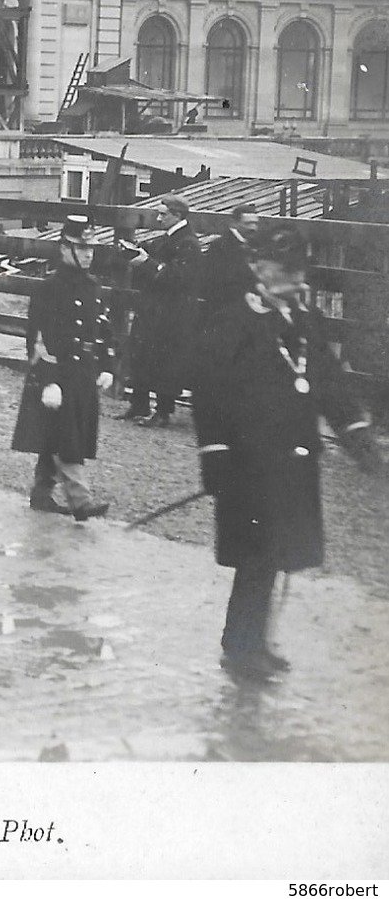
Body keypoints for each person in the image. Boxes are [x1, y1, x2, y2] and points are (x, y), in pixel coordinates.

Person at [193, 227, 382, 681]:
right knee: (256, 559)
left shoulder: (304, 321)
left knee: (278, 554)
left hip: (294, 462)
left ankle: (256, 641)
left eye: (298, 273)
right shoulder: (232, 320)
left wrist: (360, 441)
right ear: (258, 269)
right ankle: (240, 648)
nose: (294, 281)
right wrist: (215, 456)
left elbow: (330, 383)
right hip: (248, 464)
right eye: (284, 271)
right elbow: (209, 393)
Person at [9, 214, 116, 520]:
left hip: (83, 373)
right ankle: (81, 502)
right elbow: (38, 339)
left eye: (91, 249)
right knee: (67, 437)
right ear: (64, 248)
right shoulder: (49, 288)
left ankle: (42, 491)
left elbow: (103, 329)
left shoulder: (92, 286)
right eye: (81, 248)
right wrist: (49, 381)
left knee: (64, 434)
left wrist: (106, 365)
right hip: (58, 372)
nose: (88, 254)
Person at [121, 193, 200, 427]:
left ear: (177, 216)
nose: (158, 218)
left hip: (173, 314)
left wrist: (146, 262)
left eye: (163, 214)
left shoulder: (189, 244)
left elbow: (177, 278)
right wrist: (133, 251)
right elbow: (153, 251)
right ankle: (139, 404)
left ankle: (163, 411)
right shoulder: (169, 238)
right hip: (155, 309)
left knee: (166, 361)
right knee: (141, 353)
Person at [199, 202, 260, 316]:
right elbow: (216, 280)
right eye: (248, 223)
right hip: (226, 308)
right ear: (234, 224)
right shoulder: (221, 246)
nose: (253, 228)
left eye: (255, 223)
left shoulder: (256, 244)